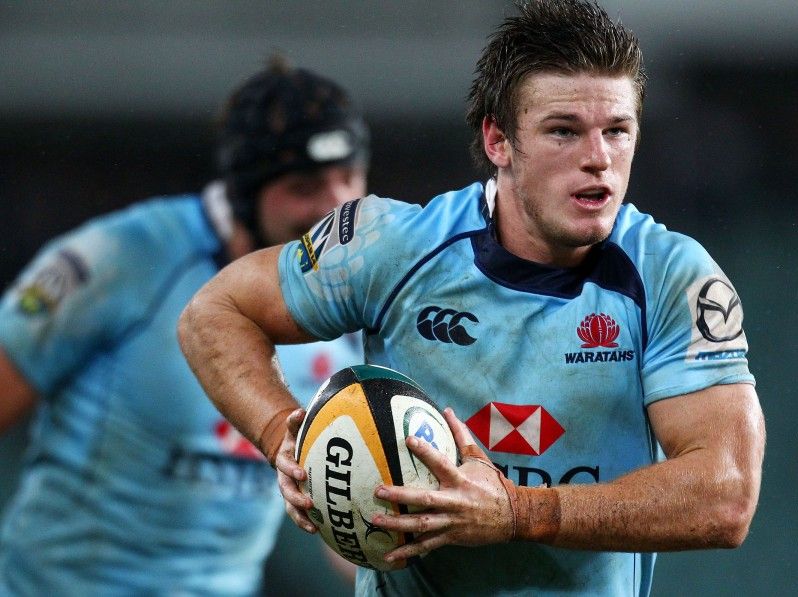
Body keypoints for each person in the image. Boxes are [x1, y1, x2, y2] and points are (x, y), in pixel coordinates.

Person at [178, 1, 766, 595]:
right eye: (563, 131)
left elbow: (726, 495)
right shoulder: (390, 247)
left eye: (618, 130)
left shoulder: (670, 275)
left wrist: (517, 512)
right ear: (498, 140)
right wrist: (284, 435)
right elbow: (215, 314)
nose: (598, 158)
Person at [0, 58, 368, 594]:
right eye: (306, 185)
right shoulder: (125, 257)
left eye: (348, 176)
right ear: (245, 192)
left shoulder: (354, 290)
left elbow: (340, 514)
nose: (338, 207)